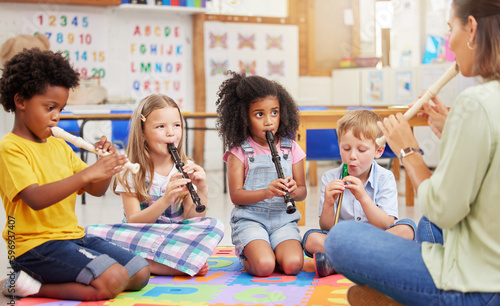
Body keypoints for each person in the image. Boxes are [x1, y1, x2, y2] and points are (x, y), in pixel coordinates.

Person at [325, 0, 500, 306]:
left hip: (481, 294)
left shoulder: (477, 102)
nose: (450, 42)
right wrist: (453, 131)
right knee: (427, 231)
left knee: (340, 240)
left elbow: (444, 208)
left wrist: (408, 151)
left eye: (451, 29)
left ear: (472, 29)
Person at [0, 49, 150, 300]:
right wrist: (87, 173)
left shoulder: (60, 146)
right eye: (49, 107)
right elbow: (36, 199)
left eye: (60, 108)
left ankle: (82, 275)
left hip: (73, 238)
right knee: (112, 280)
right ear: (21, 101)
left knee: (139, 272)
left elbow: (96, 189)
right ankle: (25, 285)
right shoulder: (10, 148)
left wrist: (103, 166)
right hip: (33, 247)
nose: (56, 116)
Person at [86, 94, 224, 277]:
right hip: (141, 235)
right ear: (142, 133)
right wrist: (165, 200)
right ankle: (168, 265)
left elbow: (193, 219)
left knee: (215, 226)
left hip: (172, 238)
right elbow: (134, 221)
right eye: (161, 127)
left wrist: (202, 189)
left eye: (176, 125)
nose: (171, 133)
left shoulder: (186, 166)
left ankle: (144, 262)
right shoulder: (130, 171)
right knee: (90, 234)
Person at [302, 109, 416, 277]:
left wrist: (363, 197)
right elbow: (327, 228)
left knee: (408, 229)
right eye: (346, 148)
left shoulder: (385, 178)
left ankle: (341, 263)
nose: (352, 156)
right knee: (311, 239)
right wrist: (328, 203)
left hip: (377, 237)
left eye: (361, 150)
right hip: (343, 239)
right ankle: (373, 261)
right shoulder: (330, 177)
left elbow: (385, 224)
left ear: (378, 151)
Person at [216, 71, 307, 277]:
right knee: (264, 267)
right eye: (259, 114)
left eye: (274, 112)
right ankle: (251, 254)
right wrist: (267, 192)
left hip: (283, 219)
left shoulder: (290, 147)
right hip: (250, 219)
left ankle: (272, 249)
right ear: (243, 118)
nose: (269, 121)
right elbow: (236, 196)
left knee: (293, 266)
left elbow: (302, 191)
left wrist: (294, 191)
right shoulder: (238, 152)